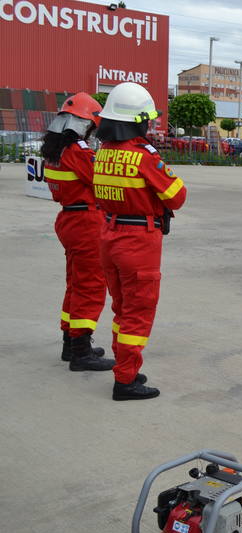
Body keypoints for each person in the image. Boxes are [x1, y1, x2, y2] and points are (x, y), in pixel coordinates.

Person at [94, 82, 187, 401]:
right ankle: (126, 380)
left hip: (109, 235)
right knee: (138, 312)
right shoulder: (144, 156)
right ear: (138, 121)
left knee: (121, 309)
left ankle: (126, 366)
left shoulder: (102, 152)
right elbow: (177, 197)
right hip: (138, 241)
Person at [42, 92, 115, 372]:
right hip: (86, 222)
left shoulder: (55, 151)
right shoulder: (79, 152)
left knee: (75, 283)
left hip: (69, 220)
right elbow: (102, 179)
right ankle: (81, 352)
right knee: (90, 285)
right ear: (84, 123)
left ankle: (69, 343)